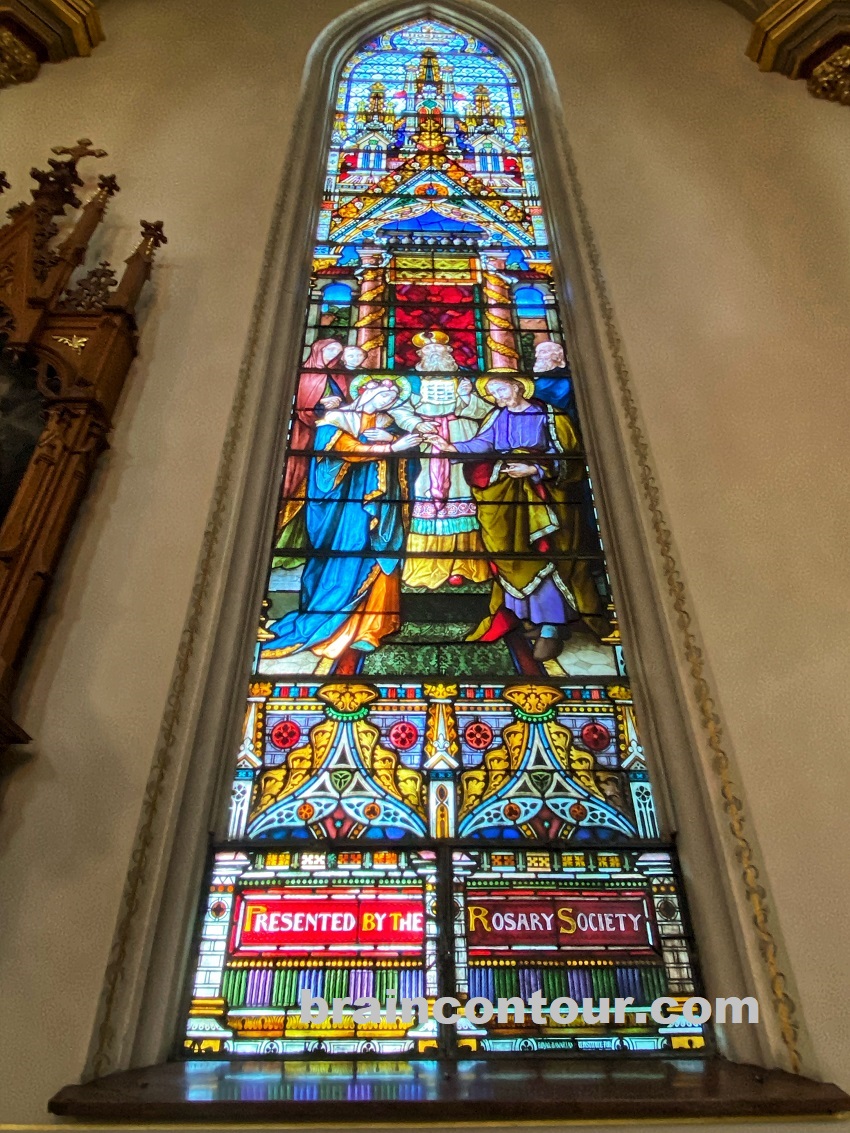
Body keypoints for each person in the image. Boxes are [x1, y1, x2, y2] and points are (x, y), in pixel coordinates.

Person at [426, 372, 607, 662]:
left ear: (518, 386)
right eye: (492, 393)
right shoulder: (497, 417)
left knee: (543, 554)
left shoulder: (551, 416)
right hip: (505, 496)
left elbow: (569, 457)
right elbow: (482, 444)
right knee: (511, 557)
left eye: (500, 390)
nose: (496, 397)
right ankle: (530, 619)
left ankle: (552, 628)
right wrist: (451, 447)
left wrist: (535, 469)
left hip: (545, 498)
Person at [261, 377, 421, 662]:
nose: (389, 401)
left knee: (378, 554)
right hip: (342, 509)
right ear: (365, 390)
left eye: (393, 398)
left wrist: (395, 443)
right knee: (343, 557)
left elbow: (409, 457)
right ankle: (333, 626)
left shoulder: (388, 426)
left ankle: (373, 627)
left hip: (378, 507)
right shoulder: (333, 419)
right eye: (385, 394)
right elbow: (343, 451)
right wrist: (391, 449)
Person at [394, 330, 490, 589]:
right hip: (426, 441)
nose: (434, 353)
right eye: (429, 350)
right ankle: (427, 566)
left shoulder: (465, 378)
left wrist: (466, 397)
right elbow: (399, 409)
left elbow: (486, 410)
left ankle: (464, 565)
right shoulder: (410, 381)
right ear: (420, 354)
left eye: (439, 349)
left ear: (448, 352)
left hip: (462, 439)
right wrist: (416, 424)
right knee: (425, 491)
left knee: (464, 492)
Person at [532, 339, 577, 420]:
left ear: (555, 356)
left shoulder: (565, 378)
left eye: (542, 352)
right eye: (537, 352)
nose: (536, 356)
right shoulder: (541, 379)